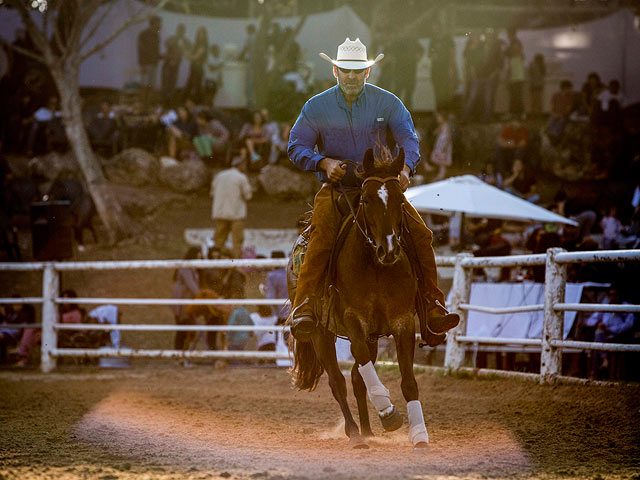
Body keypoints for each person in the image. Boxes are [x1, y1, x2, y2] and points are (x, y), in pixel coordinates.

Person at [287, 37, 459, 343]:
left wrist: (406, 170)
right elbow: (296, 146)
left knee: (421, 235)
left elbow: (409, 141)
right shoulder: (316, 106)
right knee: (322, 236)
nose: (351, 76)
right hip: (338, 188)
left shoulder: (389, 103)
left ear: (368, 72)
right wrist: (323, 162)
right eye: (345, 71)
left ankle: (432, 306)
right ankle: (305, 306)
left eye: (358, 71)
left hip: (382, 187)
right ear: (335, 72)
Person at [210, 155, 253, 258]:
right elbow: (248, 195)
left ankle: (216, 263)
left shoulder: (219, 176)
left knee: (218, 241)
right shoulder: (241, 177)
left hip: (220, 213)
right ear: (241, 165)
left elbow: (212, 193)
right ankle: (236, 265)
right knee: (237, 242)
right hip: (236, 214)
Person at [170, 247, 201, 364]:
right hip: (181, 302)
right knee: (182, 329)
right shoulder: (185, 269)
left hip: (187, 302)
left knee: (186, 329)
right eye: (198, 258)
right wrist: (202, 296)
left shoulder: (192, 270)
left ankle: (183, 355)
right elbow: (192, 286)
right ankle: (179, 356)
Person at [161, 24, 188, 98]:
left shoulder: (184, 41)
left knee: (173, 83)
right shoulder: (172, 38)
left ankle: (170, 99)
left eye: (182, 31)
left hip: (176, 65)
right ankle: (164, 100)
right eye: (179, 30)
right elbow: (166, 43)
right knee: (165, 82)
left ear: (184, 32)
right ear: (176, 31)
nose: (180, 32)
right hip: (168, 64)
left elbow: (188, 48)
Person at [137, 15, 162, 93]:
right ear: (154, 23)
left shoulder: (157, 35)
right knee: (144, 86)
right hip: (146, 65)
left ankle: (148, 104)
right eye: (159, 23)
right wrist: (142, 65)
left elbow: (156, 52)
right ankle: (143, 104)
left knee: (151, 86)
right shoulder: (143, 34)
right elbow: (140, 50)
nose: (160, 25)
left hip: (154, 64)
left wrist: (163, 56)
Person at [184, 27, 208, 103]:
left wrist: (188, 55)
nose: (200, 36)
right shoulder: (196, 44)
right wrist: (187, 53)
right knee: (191, 85)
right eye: (199, 34)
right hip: (193, 67)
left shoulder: (203, 45)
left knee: (196, 86)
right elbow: (190, 54)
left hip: (198, 68)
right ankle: (190, 103)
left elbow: (195, 57)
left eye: (202, 34)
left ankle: (197, 103)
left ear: (204, 35)